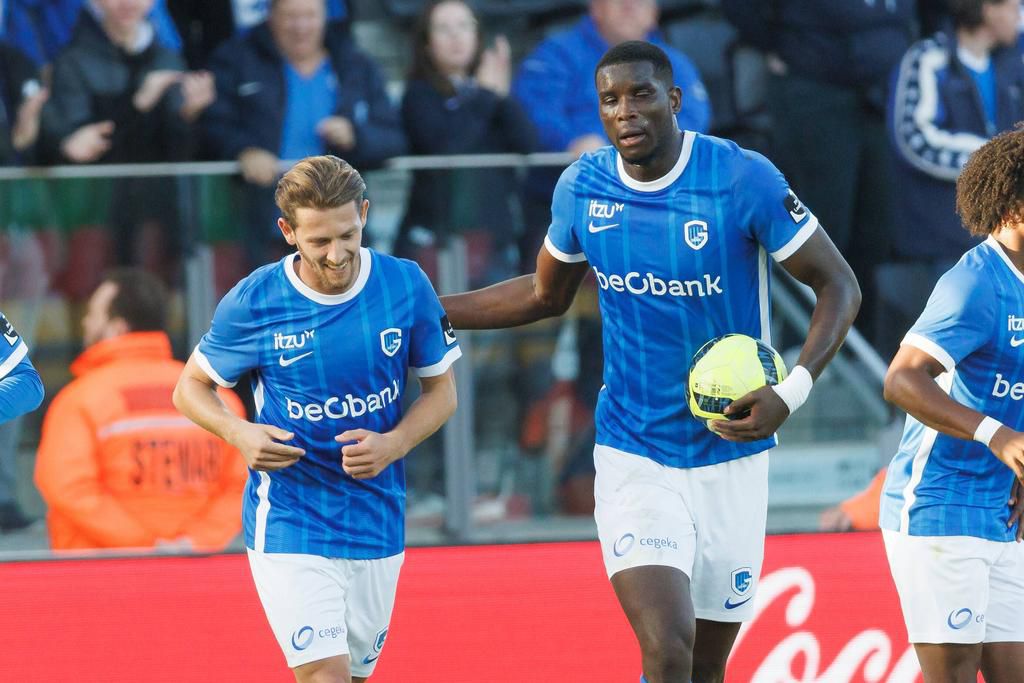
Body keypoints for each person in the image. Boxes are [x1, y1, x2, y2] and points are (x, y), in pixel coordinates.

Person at [441, 41, 861, 683]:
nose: (625, 111)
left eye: (640, 94)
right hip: (634, 452)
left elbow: (839, 285)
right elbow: (543, 295)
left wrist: (791, 391)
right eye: (609, 100)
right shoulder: (583, 186)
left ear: (674, 99)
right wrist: (430, 310)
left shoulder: (740, 178)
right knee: (668, 644)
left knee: (705, 667)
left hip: (732, 452)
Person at [173, 155, 460, 682]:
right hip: (291, 515)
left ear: (365, 214)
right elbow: (189, 387)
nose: (337, 254)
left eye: (347, 235)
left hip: (377, 515)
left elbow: (442, 393)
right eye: (319, 241)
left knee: (353, 677)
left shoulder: (405, 284)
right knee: (324, 673)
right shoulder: (255, 300)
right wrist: (239, 432)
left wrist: (393, 444)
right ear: (288, 232)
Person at [880, 128, 1024, 682]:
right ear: (1012, 208)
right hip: (939, 506)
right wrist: (999, 437)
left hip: (1001, 509)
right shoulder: (974, 285)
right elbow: (902, 380)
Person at [33, 269, 247, 551]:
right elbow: (242, 486)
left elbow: (68, 488)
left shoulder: (81, 399)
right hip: (194, 569)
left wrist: (145, 547)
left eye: (93, 314)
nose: (86, 322)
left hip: (95, 569)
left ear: (117, 328)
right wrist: (191, 544)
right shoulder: (218, 399)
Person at [203, 0, 405, 268]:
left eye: (310, 15)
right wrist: (243, 150)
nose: (301, 27)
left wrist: (355, 136)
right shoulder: (236, 59)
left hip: (340, 225)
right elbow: (213, 124)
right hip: (262, 224)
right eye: (291, 16)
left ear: (325, 16)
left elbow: (393, 138)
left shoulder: (354, 64)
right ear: (270, 16)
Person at [512, 0, 710, 268]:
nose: (629, 6)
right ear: (595, 8)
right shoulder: (555, 53)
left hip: (658, 203)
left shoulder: (674, 64)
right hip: (565, 201)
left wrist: (624, 150)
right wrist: (570, 141)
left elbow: (692, 120)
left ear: (654, 14)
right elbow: (532, 114)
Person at [395, 0, 535, 285]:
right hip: (436, 234)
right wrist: (485, 95)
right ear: (426, 43)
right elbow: (448, 146)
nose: (455, 36)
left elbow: (527, 142)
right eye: (443, 29)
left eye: (464, 26)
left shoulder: (489, 90)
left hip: (492, 233)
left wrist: (501, 97)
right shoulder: (418, 95)